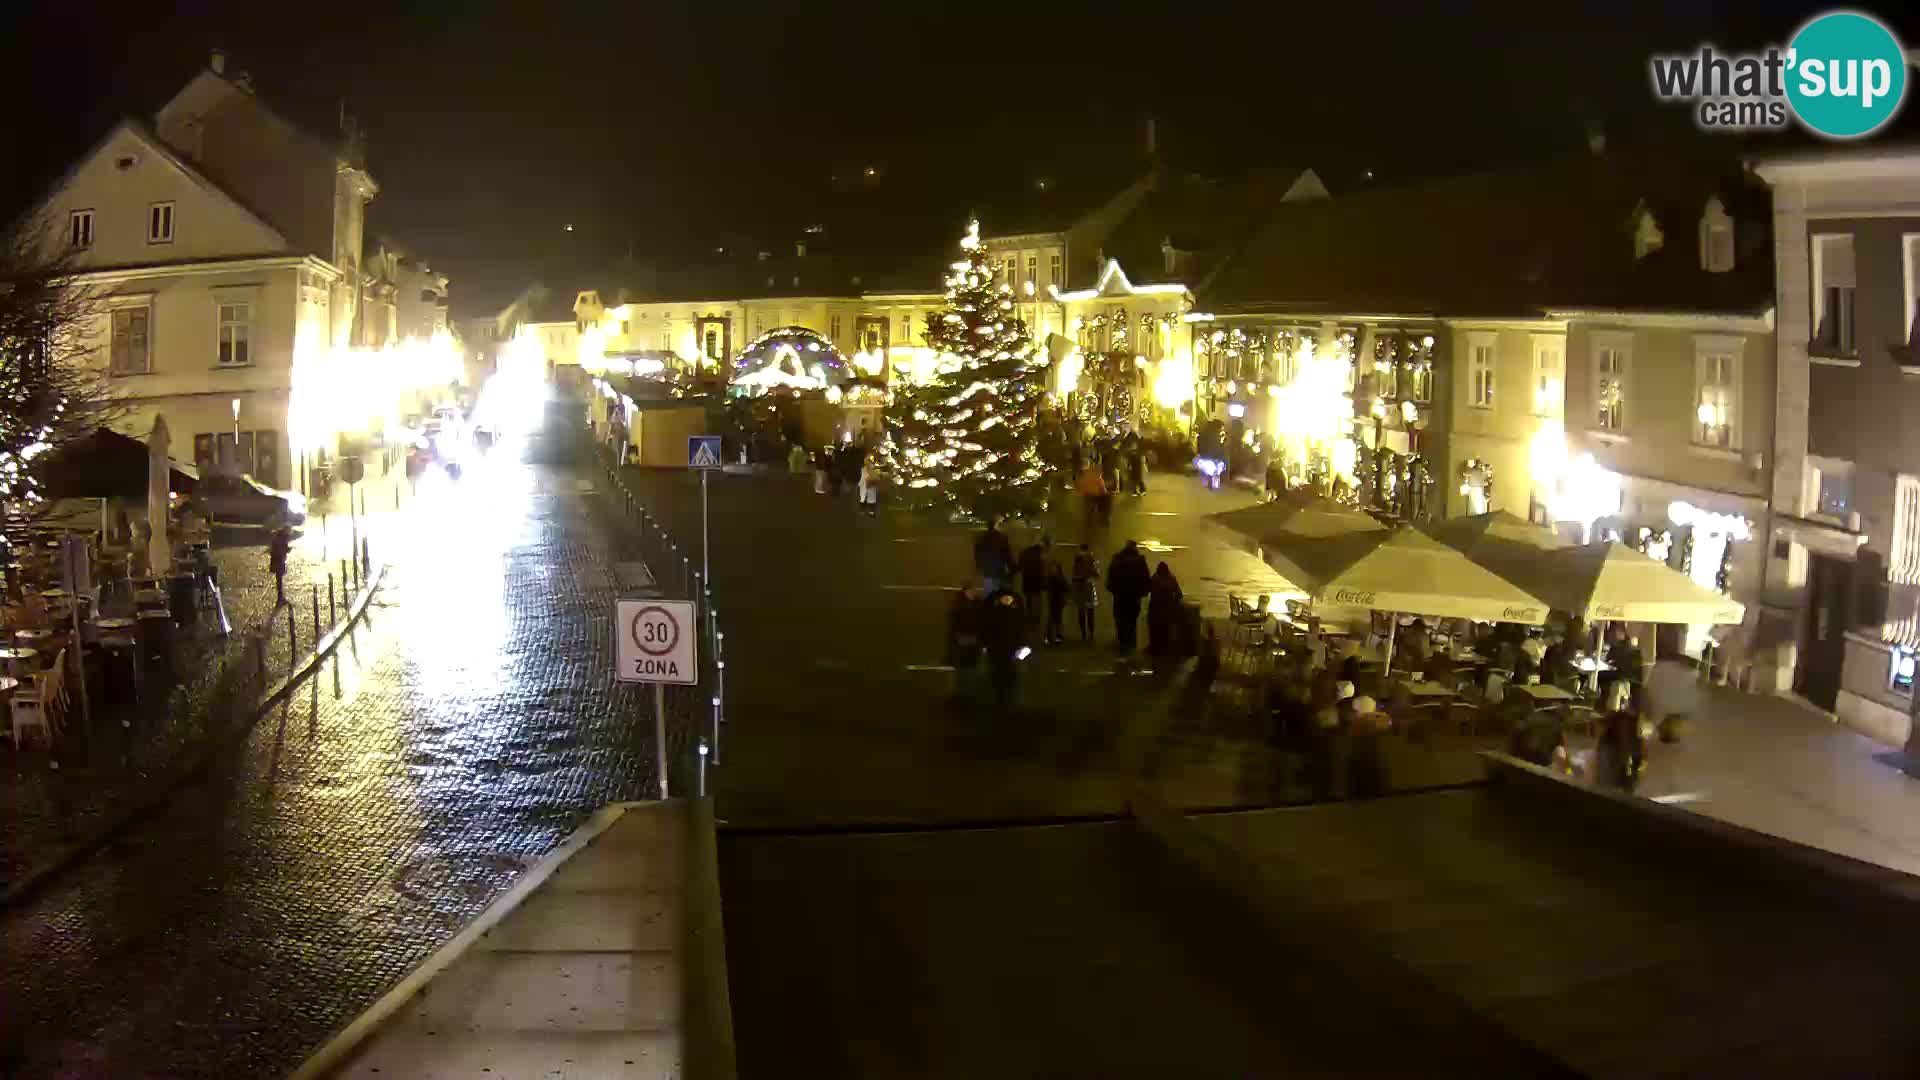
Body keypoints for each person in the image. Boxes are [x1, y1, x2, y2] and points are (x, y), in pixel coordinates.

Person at [1105, 540, 1152, 655]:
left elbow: (1111, 575)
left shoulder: (1117, 559)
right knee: (1132, 619)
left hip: (1120, 595)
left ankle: (1122, 641)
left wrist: (1113, 589)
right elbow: (1145, 578)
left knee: (1120, 618)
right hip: (1134, 596)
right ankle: (1130, 642)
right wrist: (1144, 591)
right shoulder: (1140, 561)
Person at [981, 588, 1026, 708]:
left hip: (1001, 646)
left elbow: (985, 624)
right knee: (1005, 670)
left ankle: (1001, 695)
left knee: (1002, 670)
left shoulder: (993, 603)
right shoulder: (1015, 605)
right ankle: (1004, 695)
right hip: (1003, 646)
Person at [1146, 561, 1183, 659]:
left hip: (1155, 609)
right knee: (1165, 630)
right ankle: (1164, 649)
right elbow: (1179, 594)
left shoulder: (1155, 579)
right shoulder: (1172, 579)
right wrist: (1174, 603)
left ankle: (1155, 648)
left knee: (1154, 629)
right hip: (1167, 610)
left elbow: (1147, 589)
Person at [973, 517, 1015, 594]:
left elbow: (977, 554)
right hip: (999, 570)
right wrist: (1012, 569)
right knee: (999, 592)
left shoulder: (981, 538)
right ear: (995, 526)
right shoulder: (1002, 538)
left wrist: (980, 566)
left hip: (987, 570)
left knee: (989, 591)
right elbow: (1007, 555)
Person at [1018, 535, 1052, 622]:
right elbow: (1044, 567)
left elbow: (1020, 565)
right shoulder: (1041, 554)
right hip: (1037, 580)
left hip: (1027, 579)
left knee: (1029, 598)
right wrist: (1045, 579)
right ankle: (1035, 618)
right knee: (1036, 598)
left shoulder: (1025, 552)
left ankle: (1029, 615)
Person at [1071, 544, 1099, 642]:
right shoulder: (1091, 558)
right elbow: (1096, 574)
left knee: (1081, 611)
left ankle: (1083, 633)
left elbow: (1074, 573)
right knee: (1090, 611)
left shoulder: (1077, 558)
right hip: (1088, 585)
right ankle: (1091, 633)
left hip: (1078, 587)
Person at [1077, 460, 1110, 530]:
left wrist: (1082, 492)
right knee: (1106, 501)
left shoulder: (1085, 475)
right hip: (1095, 496)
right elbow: (1103, 489)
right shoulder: (1098, 478)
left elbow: (1081, 486)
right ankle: (1104, 519)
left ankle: (1089, 519)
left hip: (1087, 495)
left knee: (1089, 505)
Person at [1044, 559, 1070, 646]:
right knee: (1055, 618)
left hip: (1056, 600)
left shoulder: (1053, 578)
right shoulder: (1057, 578)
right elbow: (1066, 587)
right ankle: (1055, 636)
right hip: (1056, 600)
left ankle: (1052, 636)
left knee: (1054, 618)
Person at [268, 526, 291, 606]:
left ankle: (280, 598)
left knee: (279, 580)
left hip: (277, 560)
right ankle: (280, 599)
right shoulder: (282, 538)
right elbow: (281, 549)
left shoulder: (278, 536)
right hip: (279, 561)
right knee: (279, 580)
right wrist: (287, 550)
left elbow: (275, 549)